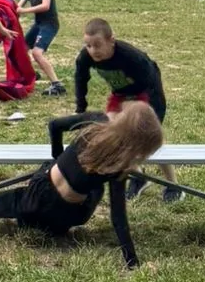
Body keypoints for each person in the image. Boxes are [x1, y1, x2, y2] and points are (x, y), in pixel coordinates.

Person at [0, 104, 165, 265]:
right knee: (96, 187)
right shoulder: (117, 168)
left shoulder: (96, 121)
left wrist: (57, 157)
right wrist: (131, 261)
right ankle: (33, 221)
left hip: (38, 196)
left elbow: (55, 124)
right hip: (70, 214)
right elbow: (118, 217)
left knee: (22, 203)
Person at [73, 18, 175, 200]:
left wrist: (153, 117)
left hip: (145, 93)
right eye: (88, 45)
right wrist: (81, 108)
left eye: (97, 45)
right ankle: (138, 177)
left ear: (111, 40)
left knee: (150, 141)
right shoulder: (85, 57)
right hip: (120, 95)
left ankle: (173, 186)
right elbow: (81, 80)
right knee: (113, 135)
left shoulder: (132, 57)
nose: (93, 51)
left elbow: (152, 84)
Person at [19, 0, 64, 93]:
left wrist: (24, 11)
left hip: (49, 25)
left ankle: (57, 84)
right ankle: (32, 74)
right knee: (21, 49)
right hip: (38, 24)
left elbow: (45, 6)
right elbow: (18, 6)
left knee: (37, 53)